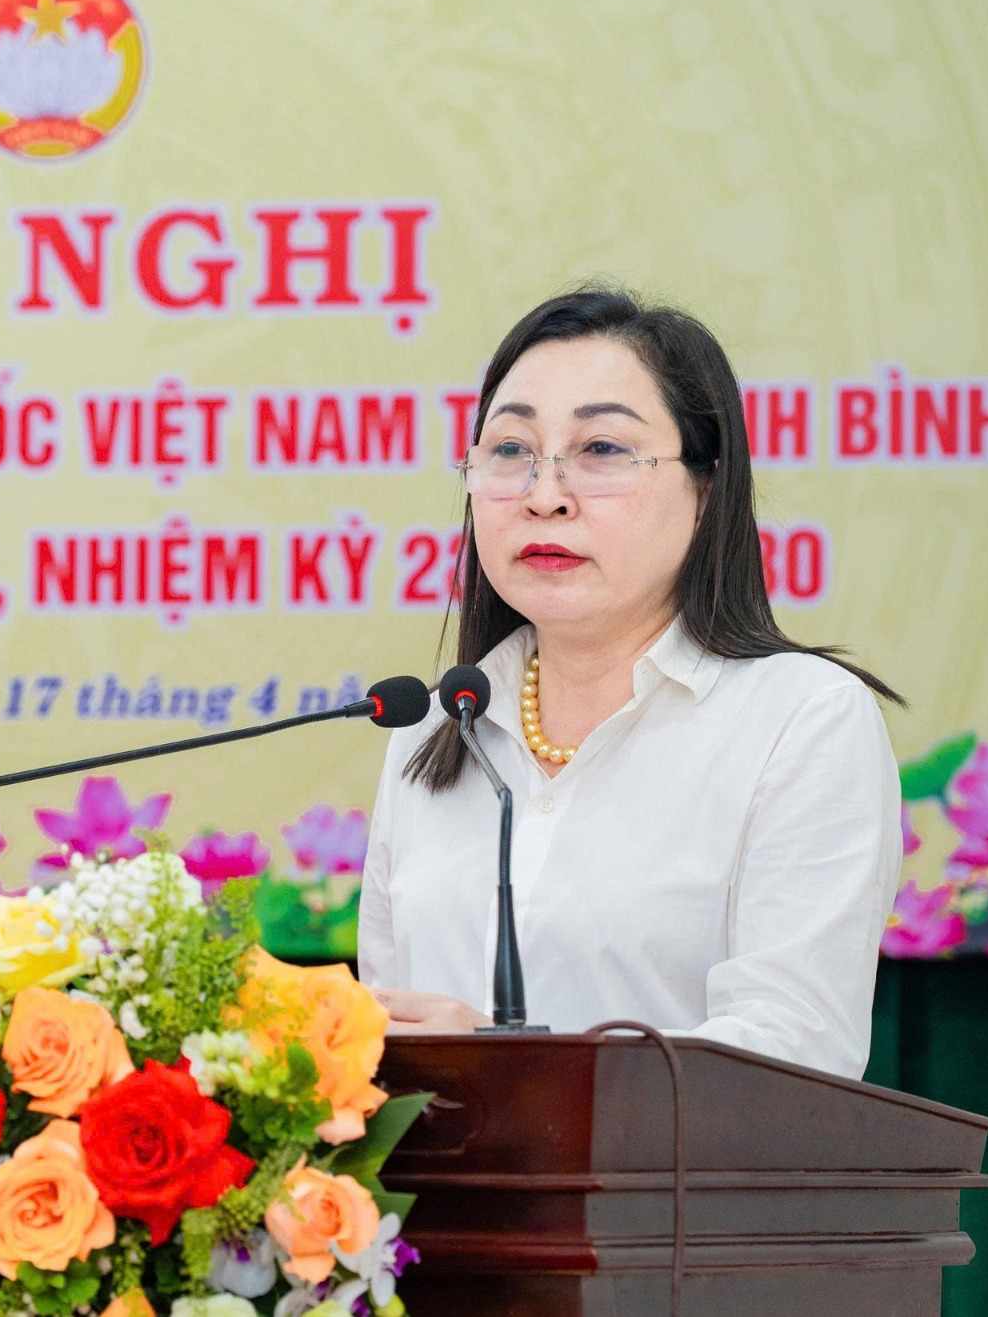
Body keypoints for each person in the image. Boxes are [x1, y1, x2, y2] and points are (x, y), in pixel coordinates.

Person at [358, 285, 903, 1078]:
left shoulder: (801, 720)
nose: (545, 497)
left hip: (684, 1205)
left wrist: (507, 1064)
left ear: (706, 487)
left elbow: (796, 1056)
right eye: (510, 451)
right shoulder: (438, 724)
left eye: (602, 451)